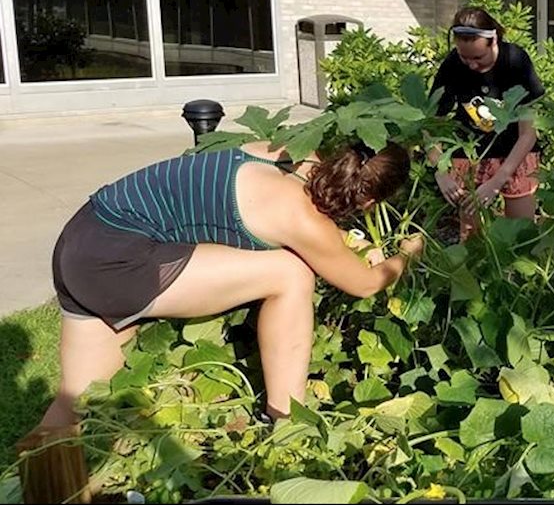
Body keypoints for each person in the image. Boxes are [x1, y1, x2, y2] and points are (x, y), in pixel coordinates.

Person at [42, 141, 425, 427]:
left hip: (84, 238)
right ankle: (285, 420)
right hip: (119, 262)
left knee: (77, 402)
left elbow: (299, 223)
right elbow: (365, 283)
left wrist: (346, 243)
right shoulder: (303, 219)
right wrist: (408, 252)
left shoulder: (287, 152)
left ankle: (29, 482)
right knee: (290, 274)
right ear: (370, 200)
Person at [428, 7, 544, 239]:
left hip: (515, 154)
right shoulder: (453, 64)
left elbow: (528, 134)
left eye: (478, 58)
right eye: (464, 57)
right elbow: (432, 123)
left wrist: (497, 181)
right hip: (470, 155)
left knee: (522, 237)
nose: (471, 65)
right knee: (472, 239)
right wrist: (440, 171)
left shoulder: (515, 60)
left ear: (494, 41)